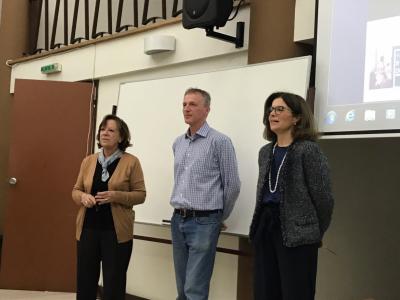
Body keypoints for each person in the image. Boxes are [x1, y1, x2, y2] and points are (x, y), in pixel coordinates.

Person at [249, 92, 334, 300]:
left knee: (295, 292)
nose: (272, 114)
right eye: (270, 110)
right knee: (265, 290)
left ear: (296, 117)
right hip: (265, 227)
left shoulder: (308, 151)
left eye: (280, 109)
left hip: (298, 233)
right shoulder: (265, 152)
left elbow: (324, 199)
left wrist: (313, 232)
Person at [170, 88, 241, 300]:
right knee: (182, 287)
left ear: (207, 110)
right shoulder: (178, 143)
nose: (186, 108)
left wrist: (219, 216)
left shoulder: (220, 141)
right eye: (184, 104)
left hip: (204, 221)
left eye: (192, 104)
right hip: (177, 219)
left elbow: (232, 185)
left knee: (195, 289)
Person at [72, 114, 146, 300]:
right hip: (87, 229)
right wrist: (83, 197)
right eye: (102, 129)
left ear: (121, 137)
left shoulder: (131, 162)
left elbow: (141, 195)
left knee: (114, 282)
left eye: (111, 130)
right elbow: (75, 190)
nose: (105, 133)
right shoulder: (88, 161)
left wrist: (116, 196)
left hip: (116, 233)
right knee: (85, 280)